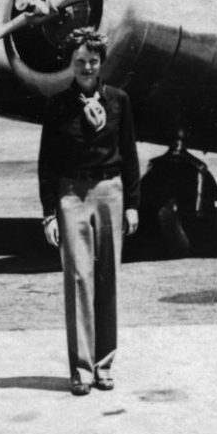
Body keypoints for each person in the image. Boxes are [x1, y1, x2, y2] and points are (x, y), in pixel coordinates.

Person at [37, 27, 140, 396]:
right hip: (71, 195)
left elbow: (129, 154)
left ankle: (104, 365)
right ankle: (81, 369)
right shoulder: (57, 105)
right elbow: (46, 162)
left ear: (101, 63)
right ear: (71, 64)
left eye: (92, 61)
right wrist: (49, 213)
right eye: (79, 61)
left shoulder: (119, 101)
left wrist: (132, 205)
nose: (85, 67)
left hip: (110, 191)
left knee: (107, 279)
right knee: (78, 280)